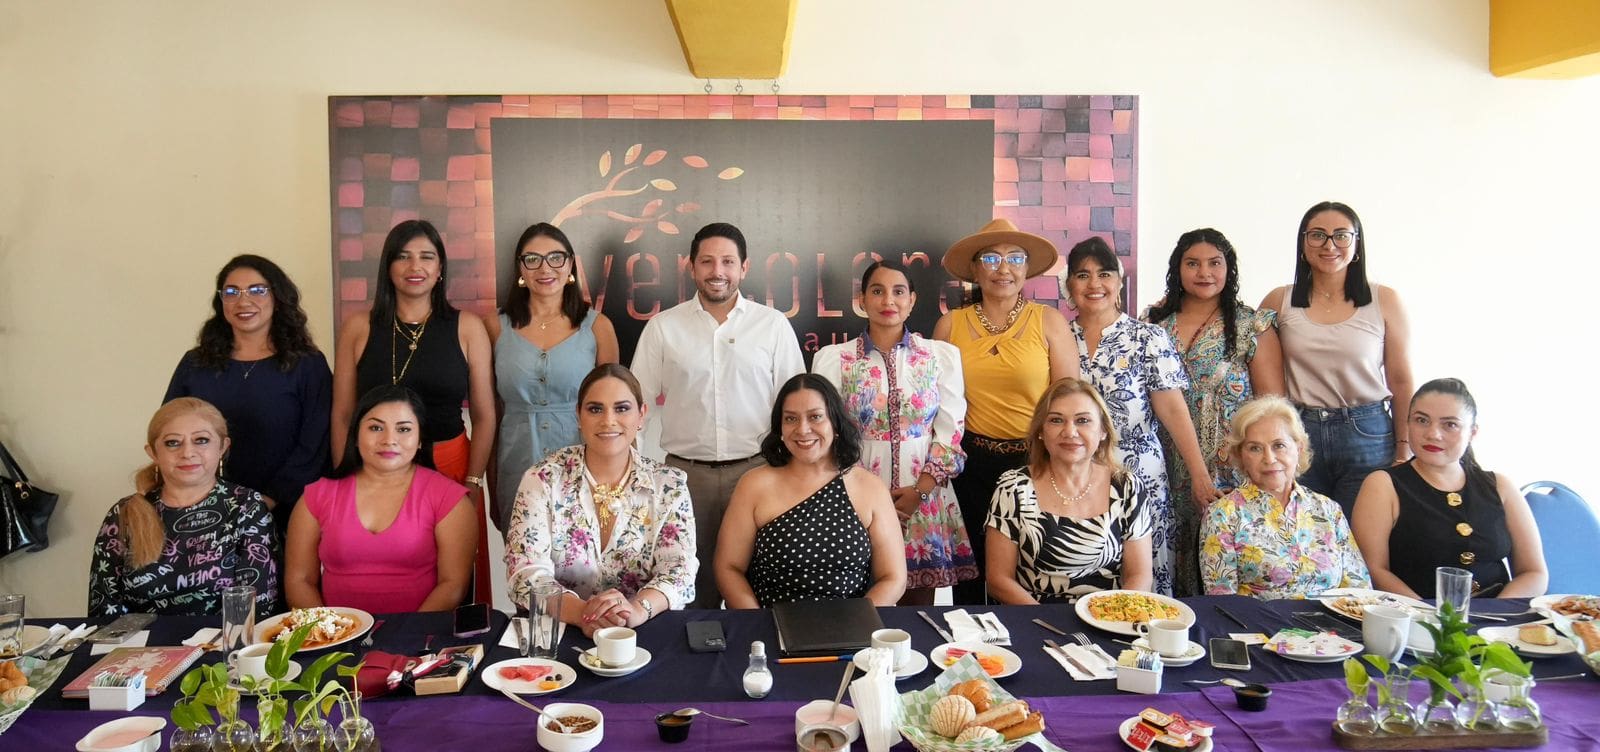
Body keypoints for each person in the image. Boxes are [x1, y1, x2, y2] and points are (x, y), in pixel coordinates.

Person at [631, 222, 805, 608]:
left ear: (744, 267)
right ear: (691, 267)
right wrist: (635, 476)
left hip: (759, 474)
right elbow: (635, 406)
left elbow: (797, 406)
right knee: (690, 591)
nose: (717, 271)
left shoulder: (772, 325)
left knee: (763, 587)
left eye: (728, 261)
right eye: (707, 261)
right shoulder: (663, 328)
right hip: (685, 479)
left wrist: (796, 474)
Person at [331, 219, 496, 601]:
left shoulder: (467, 327)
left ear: (440, 269)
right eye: (403, 257)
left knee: (455, 582)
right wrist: (344, 476)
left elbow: (486, 415)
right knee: (384, 576)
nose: (414, 266)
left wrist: (473, 481)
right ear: (388, 267)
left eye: (426, 257)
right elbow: (341, 414)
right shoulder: (358, 327)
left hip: (451, 464)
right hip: (374, 467)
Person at [813, 260, 977, 606]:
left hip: (924, 495)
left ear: (912, 300)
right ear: (862, 300)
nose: (888, 300)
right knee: (858, 599)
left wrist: (920, 491)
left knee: (916, 608)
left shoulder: (939, 356)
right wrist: (859, 492)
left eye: (898, 291)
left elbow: (951, 434)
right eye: (878, 291)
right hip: (856, 496)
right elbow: (825, 437)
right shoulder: (835, 359)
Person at [934, 218, 1079, 604]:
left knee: (1028, 568)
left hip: (1034, 461)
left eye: (1015, 258)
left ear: (1027, 268)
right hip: (969, 464)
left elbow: (1069, 401)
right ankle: (970, 641)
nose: (1004, 268)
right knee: (970, 574)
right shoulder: (950, 325)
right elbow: (937, 405)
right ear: (974, 269)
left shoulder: (1049, 322)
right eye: (991, 259)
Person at [1065, 237, 1215, 597]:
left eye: (1104, 274)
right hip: (1074, 472)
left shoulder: (1147, 337)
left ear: (1119, 282)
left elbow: (1173, 410)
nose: (1094, 284)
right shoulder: (1057, 337)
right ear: (1068, 285)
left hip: (1139, 472)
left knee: (1144, 574)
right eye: (1082, 275)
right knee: (1081, 562)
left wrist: (1199, 475)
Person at [504, 365, 695, 635]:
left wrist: (637, 610)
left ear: (641, 415)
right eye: (595, 409)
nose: (608, 420)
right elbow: (524, 572)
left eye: (622, 408)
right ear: (578, 416)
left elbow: (679, 571)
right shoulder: (543, 479)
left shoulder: (669, 484)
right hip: (561, 631)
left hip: (642, 630)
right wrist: (583, 614)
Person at [1143, 229, 1283, 595]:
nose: (1204, 272)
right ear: (1177, 269)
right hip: (1166, 461)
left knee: (1224, 555)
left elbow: (1272, 409)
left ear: (1229, 268)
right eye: (1193, 263)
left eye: (1214, 263)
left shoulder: (1252, 325)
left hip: (1231, 464)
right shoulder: (1154, 323)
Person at [1261, 201, 1414, 516]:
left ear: (1356, 244)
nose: (1329, 245)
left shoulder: (1384, 300)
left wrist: (1405, 447)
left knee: (1363, 536)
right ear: (1303, 243)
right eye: (1318, 235)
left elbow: (1401, 380)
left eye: (1341, 235)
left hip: (1367, 434)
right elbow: (1250, 357)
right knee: (1301, 534)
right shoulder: (1279, 301)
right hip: (1298, 431)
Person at [165, 254, 331, 537]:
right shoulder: (195, 363)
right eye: (232, 292)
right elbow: (169, 431)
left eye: (257, 290)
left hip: (287, 509)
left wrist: (266, 501)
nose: (243, 301)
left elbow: (315, 443)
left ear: (277, 297)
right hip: (204, 510)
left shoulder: (307, 364)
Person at [715, 374, 907, 607]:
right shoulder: (754, 484)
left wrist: (858, 622)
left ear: (835, 423)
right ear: (780, 427)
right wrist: (756, 621)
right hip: (769, 621)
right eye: (791, 418)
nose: (803, 429)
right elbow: (728, 568)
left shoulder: (870, 487)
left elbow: (893, 578)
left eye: (815, 417)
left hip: (853, 623)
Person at [285, 386, 476, 613]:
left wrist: (410, 630)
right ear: (356, 436)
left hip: (421, 632)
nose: (389, 440)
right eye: (376, 428)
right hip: (336, 633)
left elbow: (453, 585)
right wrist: (328, 629)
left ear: (420, 440)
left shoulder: (449, 498)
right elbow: (300, 580)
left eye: (403, 429)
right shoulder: (317, 496)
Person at [1351, 378, 1547, 599]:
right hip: (1415, 614)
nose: (1433, 434)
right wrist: (1430, 615)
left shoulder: (1501, 486)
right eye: (1421, 420)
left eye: (1450, 424)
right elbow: (1373, 570)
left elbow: (1534, 573)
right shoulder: (1382, 485)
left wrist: (1497, 611)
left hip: (1499, 616)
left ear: (1472, 432)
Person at [485, 222, 619, 532]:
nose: (545, 268)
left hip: (586, 468)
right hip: (517, 467)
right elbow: (490, 414)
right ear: (520, 268)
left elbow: (615, 412)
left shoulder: (597, 327)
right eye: (532, 259)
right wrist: (490, 485)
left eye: (555, 258)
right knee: (524, 559)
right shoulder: (494, 327)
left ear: (570, 264)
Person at [89, 398, 277, 617]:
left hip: (223, 637)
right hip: (141, 639)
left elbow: (258, 606)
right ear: (153, 453)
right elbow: (103, 609)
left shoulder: (246, 505)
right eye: (173, 443)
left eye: (201, 440)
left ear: (223, 447)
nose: (187, 452)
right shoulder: (124, 513)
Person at [986, 378, 1153, 603]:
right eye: (1056, 420)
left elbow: (1140, 576)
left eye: (1083, 420)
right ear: (1041, 431)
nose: (1070, 431)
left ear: (1103, 430)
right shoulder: (1013, 487)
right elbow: (998, 580)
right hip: (1032, 616)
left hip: (1106, 615)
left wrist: (1108, 617)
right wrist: (1047, 621)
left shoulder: (1127, 487)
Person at [1200, 395, 1369, 599]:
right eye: (1255, 448)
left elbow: (1359, 590)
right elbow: (1221, 602)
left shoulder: (1329, 510)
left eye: (1279, 445)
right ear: (1241, 456)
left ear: (1298, 448)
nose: (1269, 458)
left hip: (1331, 619)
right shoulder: (1222, 515)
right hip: (1255, 619)